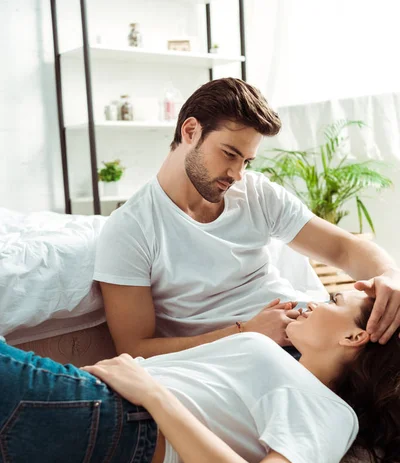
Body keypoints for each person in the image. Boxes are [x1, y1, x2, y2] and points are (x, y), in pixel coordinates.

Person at [1, 291, 399, 463]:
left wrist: (155, 395)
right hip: (68, 423)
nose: (313, 302)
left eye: (333, 299)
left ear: (354, 335)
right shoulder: (289, 363)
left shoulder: (331, 412)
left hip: (101, 421)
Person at [94, 77, 400, 361]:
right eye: (229, 154)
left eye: (246, 161)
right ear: (190, 131)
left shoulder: (256, 193)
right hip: (253, 356)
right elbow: (134, 349)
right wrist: (247, 332)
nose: (238, 175)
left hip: (316, 336)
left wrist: (390, 276)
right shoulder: (130, 229)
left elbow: (343, 249)